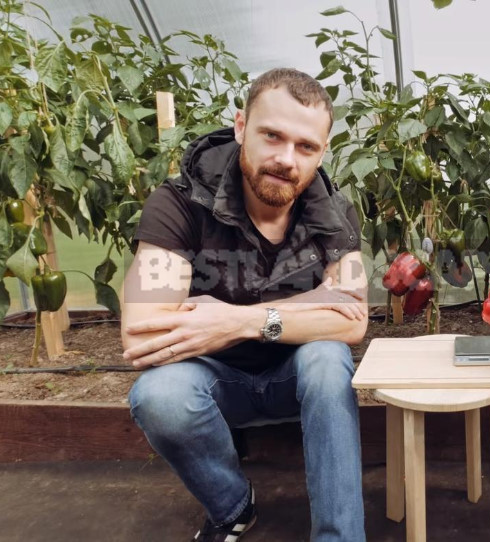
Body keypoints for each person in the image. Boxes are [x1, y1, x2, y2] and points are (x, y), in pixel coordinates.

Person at [120, 68, 368, 542]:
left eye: (305, 146)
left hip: (297, 374)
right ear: (240, 127)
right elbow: (144, 331)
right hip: (210, 379)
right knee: (160, 396)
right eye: (271, 136)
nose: (285, 159)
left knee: (326, 357)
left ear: (322, 152)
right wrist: (313, 303)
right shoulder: (179, 203)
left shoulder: (336, 214)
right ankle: (232, 505)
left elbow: (352, 324)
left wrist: (238, 321)